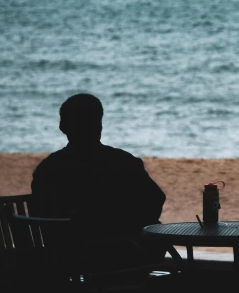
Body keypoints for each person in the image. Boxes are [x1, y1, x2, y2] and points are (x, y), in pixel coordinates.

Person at [31, 93, 165, 262]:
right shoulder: (123, 162)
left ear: (62, 126)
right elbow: (155, 198)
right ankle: (132, 284)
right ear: (99, 125)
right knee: (156, 233)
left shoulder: (48, 168)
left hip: (63, 256)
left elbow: (41, 213)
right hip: (118, 252)